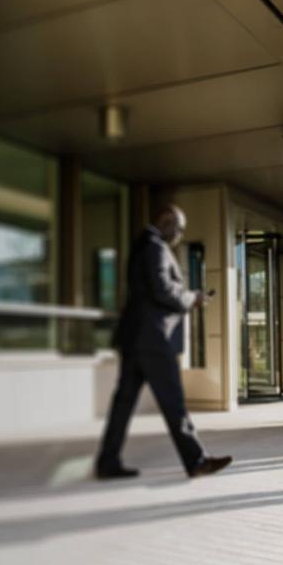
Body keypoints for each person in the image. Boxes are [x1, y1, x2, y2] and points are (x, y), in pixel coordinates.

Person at [96, 205, 232, 480]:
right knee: (173, 402)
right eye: (179, 228)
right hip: (153, 339)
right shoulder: (155, 247)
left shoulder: (142, 245)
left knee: (123, 403)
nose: (180, 235)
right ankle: (196, 461)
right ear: (167, 222)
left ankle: (107, 462)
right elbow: (162, 290)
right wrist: (191, 298)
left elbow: (152, 291)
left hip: (135, 337)